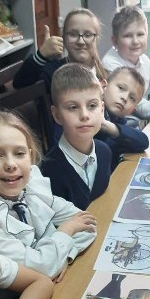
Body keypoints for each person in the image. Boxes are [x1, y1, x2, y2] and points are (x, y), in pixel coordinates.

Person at [0, 109, 97, 280]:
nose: (11, 164)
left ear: (30, 155)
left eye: (19, 153)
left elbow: (88, 225)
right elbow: (41, 269)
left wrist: (66, 256)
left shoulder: (32, 187)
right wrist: (66, 231)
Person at [41, 64, 112, 209]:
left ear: (102, 109)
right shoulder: (48, 170)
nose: (84, 115)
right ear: (57, 115)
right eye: (73, 107)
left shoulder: (105, 152)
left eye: (92, 106)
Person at [12, 7, 107, 95]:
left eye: (88, 35)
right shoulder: (54, 72)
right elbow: (19, 83)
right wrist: (41, 55)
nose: (81, 41)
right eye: (73, 34)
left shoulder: (105, 73)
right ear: (63, 38)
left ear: (97, 39)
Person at [100, 67, 149, 167]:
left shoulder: (118, 120)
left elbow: (143, 141)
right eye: (121, 88)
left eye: (132, 98)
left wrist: (109, 127)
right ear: (104, 85)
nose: (125, 98)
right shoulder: (90, 111)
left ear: (133, 109)